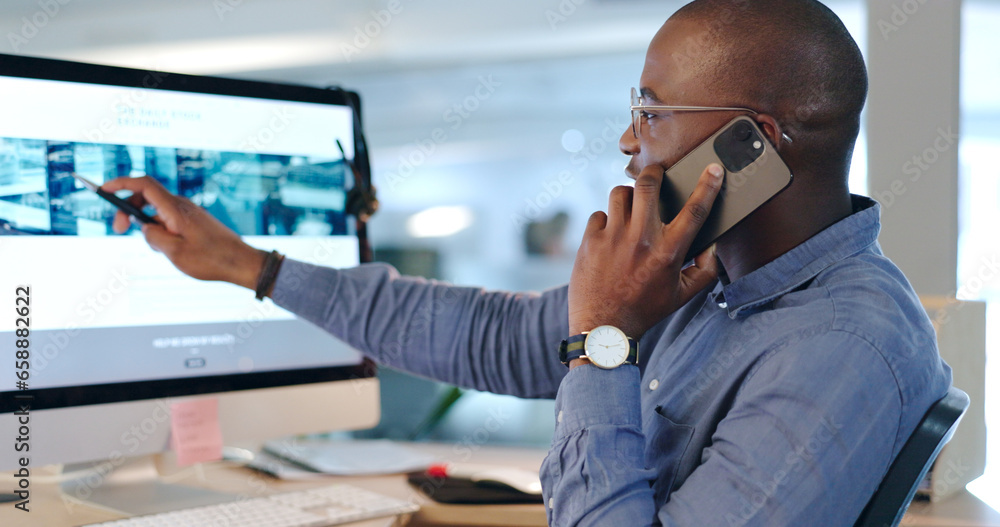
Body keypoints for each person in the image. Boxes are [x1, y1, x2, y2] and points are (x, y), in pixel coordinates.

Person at [102, 0, 951, 524]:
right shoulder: (707, 279)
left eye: (651, 113)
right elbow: (494, 334)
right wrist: (253, 266)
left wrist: (603, 338)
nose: (628, 141)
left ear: (752, 146)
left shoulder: (842, 346)